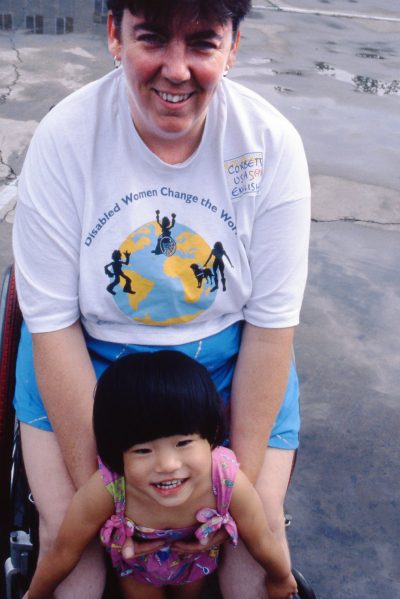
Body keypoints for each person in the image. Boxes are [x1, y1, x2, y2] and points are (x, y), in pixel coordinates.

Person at [12, 0, 311, 597]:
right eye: (152, 38)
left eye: (202, 43)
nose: (176, 70)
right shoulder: (65, 137)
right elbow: (50, 325)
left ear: (233, 47)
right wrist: (112, 508)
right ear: (115, 36)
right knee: (70, 560)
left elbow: (272, 328)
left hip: (225, 363)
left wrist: (227, 503)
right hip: (87, 356)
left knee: (255, 557)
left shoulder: (270, 143)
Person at [24, 351, 298, 599]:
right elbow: (64, 550)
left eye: (183, 443)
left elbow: (261, 538)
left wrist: (281, 577)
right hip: (137, 571)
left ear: (212, 436)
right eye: (143, 451)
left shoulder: (226, 480)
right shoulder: (111, 487)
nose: (167, 464)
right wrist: (35, 594)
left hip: (195, 565)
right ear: (115, 454)